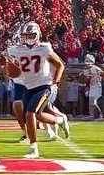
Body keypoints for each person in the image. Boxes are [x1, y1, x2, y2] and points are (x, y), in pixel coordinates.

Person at [6, 22, 68, 159]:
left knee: (30, 114)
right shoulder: (17, 50)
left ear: (38, 35)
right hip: (29, 86)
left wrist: (56, 81)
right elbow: (7, 62)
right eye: (27, 35)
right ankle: (59, 120)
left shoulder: (44, 48)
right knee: (36, 115)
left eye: (32, 35)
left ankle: (34, 149)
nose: (29, 38)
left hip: (44, 85)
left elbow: (60, 64)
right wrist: (10, 66)